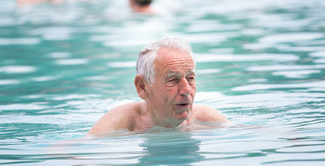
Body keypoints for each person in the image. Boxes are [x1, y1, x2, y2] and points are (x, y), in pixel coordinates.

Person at [87, 37, 229, 136]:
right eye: (173, 80)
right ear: (142, 87)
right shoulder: (124, 122)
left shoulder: (205, 119)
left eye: (190, 78)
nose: (187, 91)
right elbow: (80, 150)